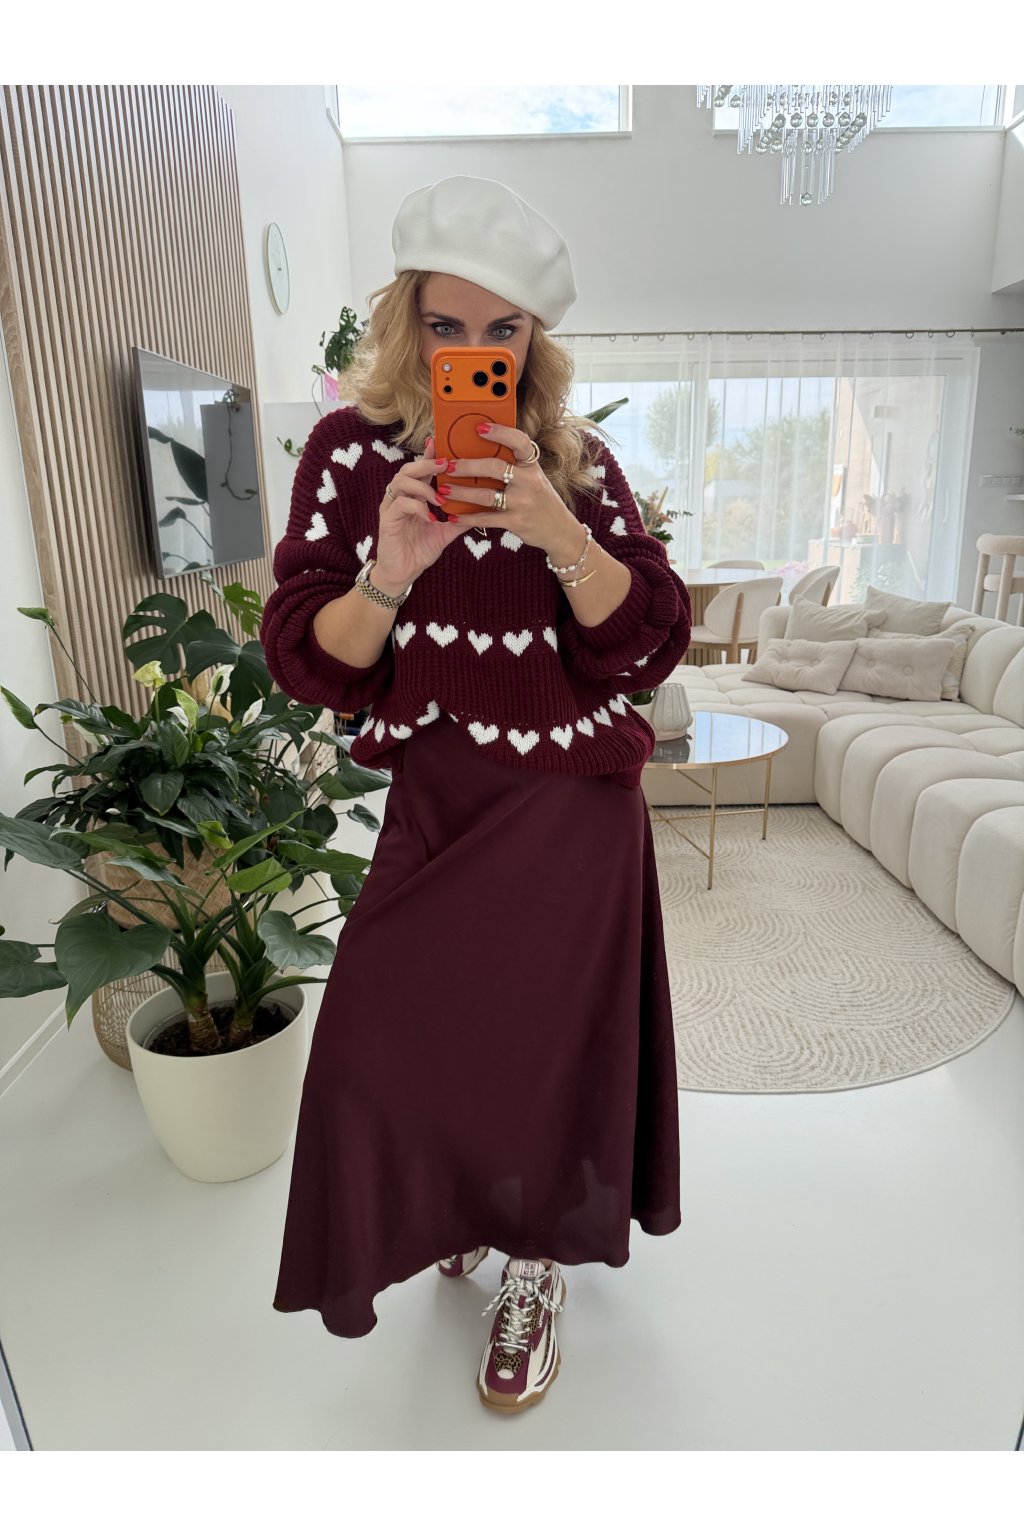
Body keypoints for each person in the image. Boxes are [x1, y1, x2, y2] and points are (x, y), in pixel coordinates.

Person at [260, 175, 693, 1414]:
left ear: (532, 340)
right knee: (382, 1043)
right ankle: (460, 1201)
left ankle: (535, 1263)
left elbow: (647, 643)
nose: (472, 354)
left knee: (548, 1053)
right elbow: (308, 660)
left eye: (500, 331)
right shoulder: (349, 457)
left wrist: (563, 534)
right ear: (406, 322)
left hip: (571, 813)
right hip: (436, 805)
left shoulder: (580, 464)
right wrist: (388, 574)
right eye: (446, 326)